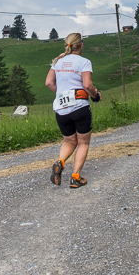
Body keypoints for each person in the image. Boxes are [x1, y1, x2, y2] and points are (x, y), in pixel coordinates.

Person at [46, 33, 101, 188]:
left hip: (60, 109)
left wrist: (61, 93)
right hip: (79, 106)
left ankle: (60, 161)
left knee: (69, 141)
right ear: (81, 45)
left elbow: (49, 83)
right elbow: (87, 85)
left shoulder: (58, 61)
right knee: (83, 143)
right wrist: (96, 96)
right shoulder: (84, 62)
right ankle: (75, 177)